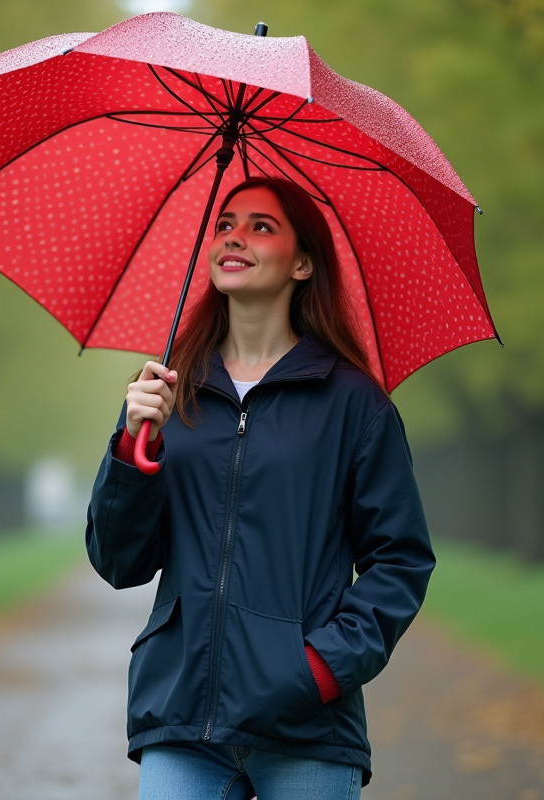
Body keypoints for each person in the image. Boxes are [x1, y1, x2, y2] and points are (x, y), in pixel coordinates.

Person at [85, 176, 435, 800]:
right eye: (224, 224)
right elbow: (119, 562)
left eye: (260, 226)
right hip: (181, 722)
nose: (233, 237)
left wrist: (319, 670)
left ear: (303, 263)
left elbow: (399, 560)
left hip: (306, 730)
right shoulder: (166, 394)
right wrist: (135, 450)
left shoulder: (355, 405)